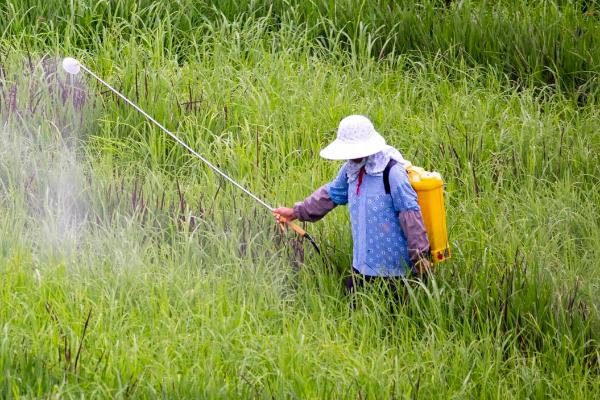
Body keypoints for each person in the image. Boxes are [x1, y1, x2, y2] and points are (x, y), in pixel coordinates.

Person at [274, 115, 432, 292]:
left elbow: (410, 214)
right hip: (361, 267)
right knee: (352, 314)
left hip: (395, 271)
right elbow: (330, 194)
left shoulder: (392, 172)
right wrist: (296, 212)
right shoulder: (351, 170)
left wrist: (419, 256)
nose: (352, 156)